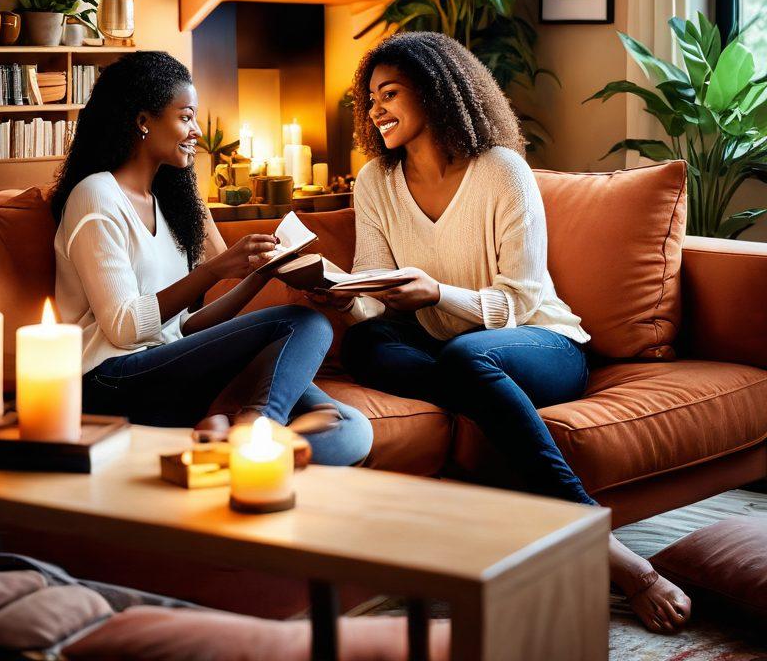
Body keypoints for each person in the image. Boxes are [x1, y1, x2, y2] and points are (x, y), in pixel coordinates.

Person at [319, 32, 689, 633]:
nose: (376, 110)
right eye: (371, 99)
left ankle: (606, 547)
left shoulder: (501, 171)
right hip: (446, 347)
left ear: (435, 93)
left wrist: (437, 293)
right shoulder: (376, 181)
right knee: (368, 345)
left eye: (389, 94)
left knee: (466, 357)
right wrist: (340, 297)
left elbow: (520, 299)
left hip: (542, 342)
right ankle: (480, 394)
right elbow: (373, 292)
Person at [50, 51, 372, 466]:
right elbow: (125, 328)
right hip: (114, 380)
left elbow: (183, 328)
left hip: (170, 368)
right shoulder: (96, 195)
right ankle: (256, 428)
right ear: (143, 120)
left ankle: (228, 453)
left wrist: (259, 275)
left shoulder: (168, 206)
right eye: (185, 117)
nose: (196, 131)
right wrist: (213, 270)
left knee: (351, 428)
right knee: (302, 324)